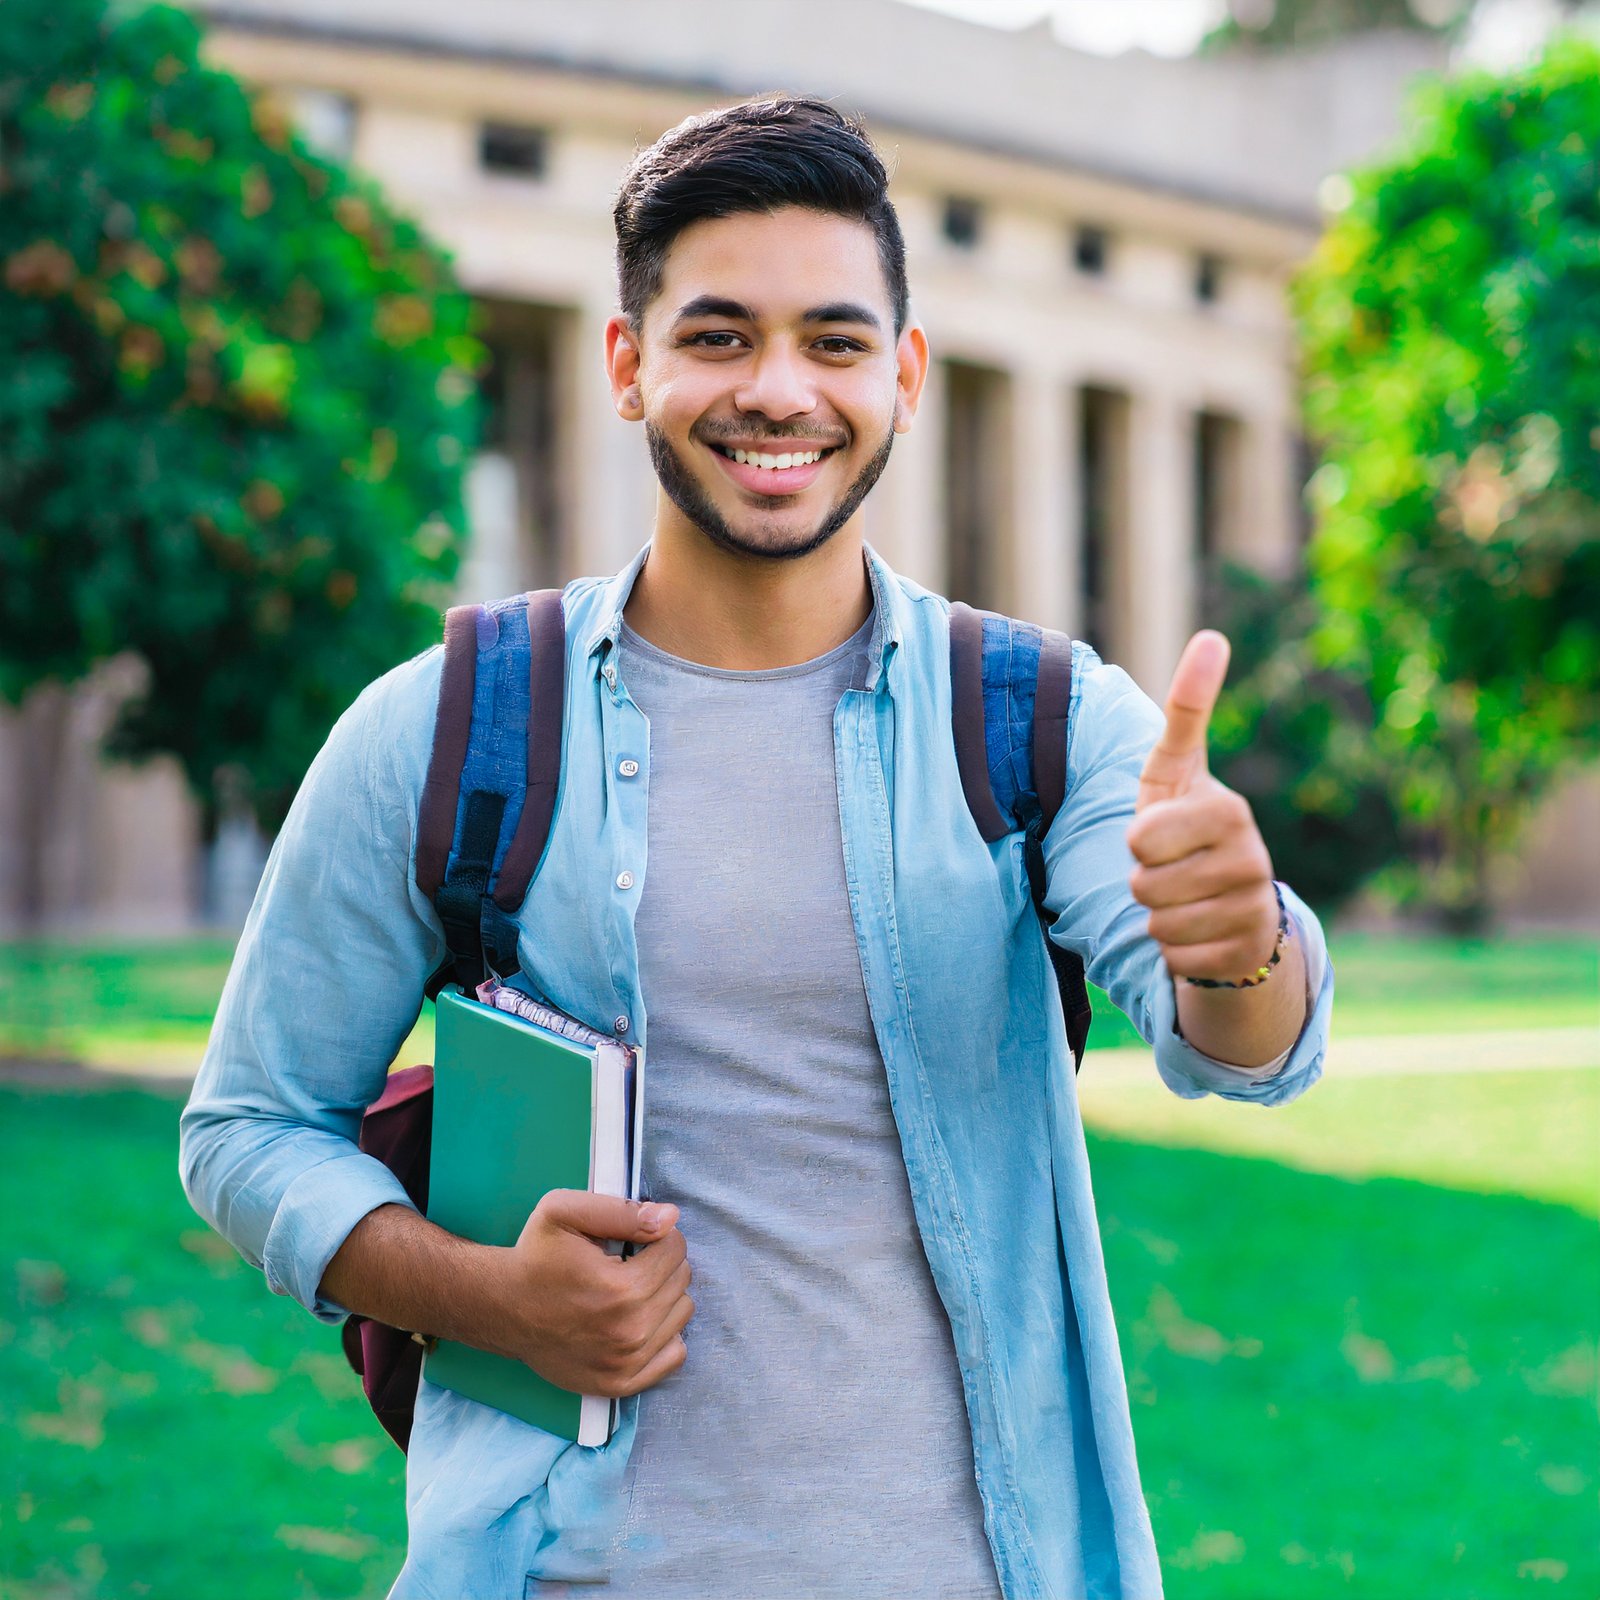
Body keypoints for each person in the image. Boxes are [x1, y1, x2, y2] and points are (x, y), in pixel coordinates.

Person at [180, 96, 1332, 1600]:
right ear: (626, 364)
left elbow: (1247, 1051)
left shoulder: (1043, 719)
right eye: (718, 336)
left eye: (836, 343)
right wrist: (487, 1298)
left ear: (905, 376)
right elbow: (247, 1127)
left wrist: (1233, 935)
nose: (779, 390)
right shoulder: (448, 726)